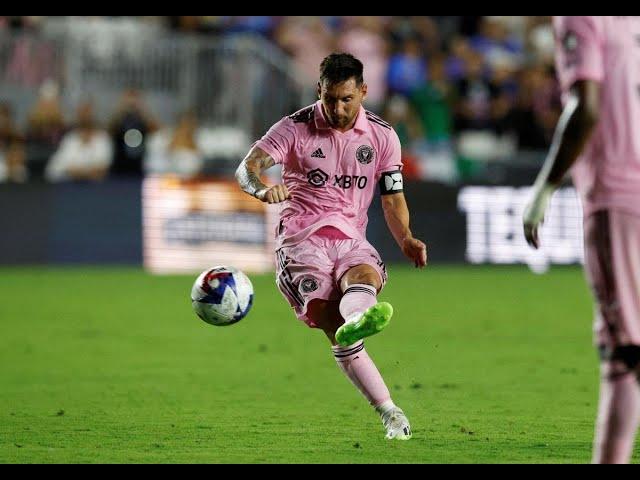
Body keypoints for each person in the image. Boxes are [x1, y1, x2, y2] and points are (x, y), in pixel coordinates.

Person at [236, 53, 427, 440]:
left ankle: (360, 316)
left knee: (365, 276)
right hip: (301, 243)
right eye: (330, 99)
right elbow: (247, 168)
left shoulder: (383, 135)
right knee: (334, 323)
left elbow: (392, 199)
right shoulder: (294, 128)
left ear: (363, 92)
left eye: (346, 100)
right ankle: (389, 410)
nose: (338, 109)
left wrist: (405, 238)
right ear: (318, 91)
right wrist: (260, 188)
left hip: (351, 238)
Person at [523, 16, 640, 464]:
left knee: (625, 351)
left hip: (618, 196)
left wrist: (544, 186)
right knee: (624, 356)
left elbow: (586, 107)